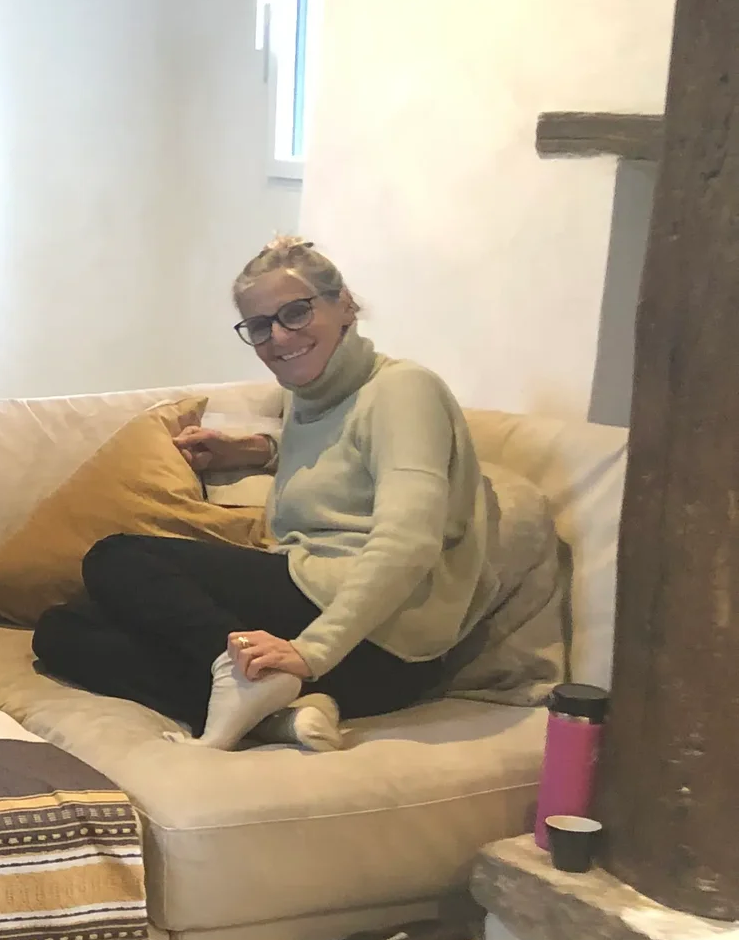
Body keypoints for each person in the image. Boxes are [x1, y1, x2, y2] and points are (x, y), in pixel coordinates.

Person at [33, 236, 498, 751]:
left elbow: (409, 540)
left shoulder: (404, 390)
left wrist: (310, 653)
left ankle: (250, 680)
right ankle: (279, 714)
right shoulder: (315, 394)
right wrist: (259, 452)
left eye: (295, 313)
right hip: (335, 642)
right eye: (260, 326)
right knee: (63, 632)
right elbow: (350, 455)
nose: (279, 336)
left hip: (381, 642)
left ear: (343, 304)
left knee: (116, 557)